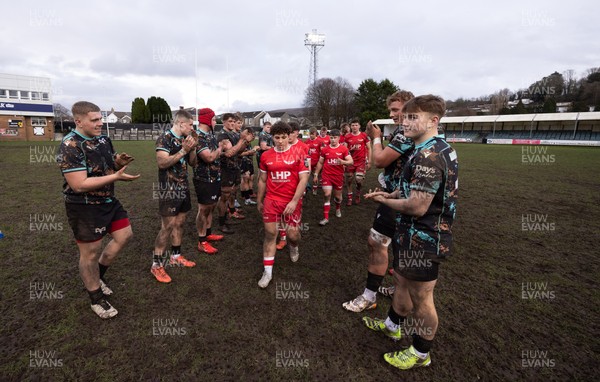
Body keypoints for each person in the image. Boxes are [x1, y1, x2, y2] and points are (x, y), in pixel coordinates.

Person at [362, 95, 458, 371]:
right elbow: (413, 190)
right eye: (405, 116)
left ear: (433, 121)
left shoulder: (429, 154)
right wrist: (390, 192)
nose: (405, 122)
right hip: (411, 233)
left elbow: (417, 205)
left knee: (422, 298)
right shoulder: (428, 147)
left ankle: (420, 352)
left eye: (413, 117)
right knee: (402, 281)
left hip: (424, 237)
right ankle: (393, 325)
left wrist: (384, 201)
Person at [57, 101, 140, 318]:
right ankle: (95, 298)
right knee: (90, 253)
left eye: (100, 118)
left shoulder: (103, 138)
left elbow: (108, 163)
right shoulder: (70, 145)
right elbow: (79, 184)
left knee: (124, 236)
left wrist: (116, 161)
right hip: (83, 207)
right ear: (78, 121)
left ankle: (99, 277)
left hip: (108, 200)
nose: (100, 123)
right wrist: (115, 176)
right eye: (94, 120)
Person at [342, 90, 415, 313]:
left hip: (398, 199)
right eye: (390, 110)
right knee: (401, 246)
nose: (392, 114)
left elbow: (380, 161)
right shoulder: (413, 132)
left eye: (396, 109)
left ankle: (369, 296)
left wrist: (375, 137)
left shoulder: (406, 132)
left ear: (410, 108)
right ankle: (399, 288)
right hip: (403, 197)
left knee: (377, 243)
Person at [256, 121, 309, 288]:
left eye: (284, 137)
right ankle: (267, 272)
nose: (280, 141)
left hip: (291, 200)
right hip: (272, 200)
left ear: (290, 137)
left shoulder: (298, 153)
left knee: (293, 235)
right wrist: (259, 199)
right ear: (272, 137)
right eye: (276, 137)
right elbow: (263, 180)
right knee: (271, 234)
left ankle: (294, 246)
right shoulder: (266, 156)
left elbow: (303, 179)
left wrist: (294, 201)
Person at [150, 110, 198, 283]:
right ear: (181, 124)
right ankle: (156, 265)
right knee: (168, 226)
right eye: (191, 125)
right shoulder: (165, 138)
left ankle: (176, 255)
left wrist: (192, 149)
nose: (193, 128)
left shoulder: (186, 140)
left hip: (183, 187)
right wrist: (183, 150)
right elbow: (162, 163)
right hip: (169, 189)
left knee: (180, 223)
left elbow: (192, 163)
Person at [193, 108, 226, 255]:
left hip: (215, 177)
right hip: (204, 179)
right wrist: (220, 148)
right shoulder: (199, 137)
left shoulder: (210, 135)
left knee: (212, 206)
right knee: (204, 209)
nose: (215, 122)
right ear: (207, 120)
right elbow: (209, 157)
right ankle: (202, 241)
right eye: (213, 119)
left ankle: (208, 233)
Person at [216, 113, 253, 233]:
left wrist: (246, 142)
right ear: (224, 122)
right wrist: (242, 140)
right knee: (224, 196)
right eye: (230, 121)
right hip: (226, 169)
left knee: (232, 193)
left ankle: (230, 213)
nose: (232, 123)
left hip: (235, 167)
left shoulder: (234, 134)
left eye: (234, 121)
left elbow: (239, 151)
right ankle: (222, 222)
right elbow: (230, 152)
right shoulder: (223, 135)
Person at [276, 121, 310, 250]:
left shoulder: (303, 147)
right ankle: (283, 238)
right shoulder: (279, 147)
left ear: (296, 133)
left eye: (290, 133)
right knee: (280, 215)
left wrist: (304, 185)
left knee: (292, 220)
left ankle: (293, 242)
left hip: (296, 187)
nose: (288, 136)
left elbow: (307, 167)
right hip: (280, 187)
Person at [312, 129, 353, 226]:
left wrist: (343, 162)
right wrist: (316, 174)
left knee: (338, 197)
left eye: (335, 138)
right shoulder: (325, 149)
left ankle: (338, 208)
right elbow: (320, 162)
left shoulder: (343, 149)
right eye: (331, 138)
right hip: (327, 176)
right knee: (327, 194)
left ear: (339, 138)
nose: (333, 140)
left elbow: (351, 162)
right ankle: (326, 218)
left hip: (338, 177)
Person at [344, 119, 372, 206]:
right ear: (350, 126)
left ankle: (358, 194)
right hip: (351, 162)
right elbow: (344, 150)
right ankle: (349, 198)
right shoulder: (347, 137)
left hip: (361, 161)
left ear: (359, 126)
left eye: (356, 125)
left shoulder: (364, 135)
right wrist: (345, 161)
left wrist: (369, 161)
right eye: (353, 125)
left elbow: (369, 148)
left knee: (359, 180)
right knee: (349, 180)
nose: (354, 127)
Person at [304, 127, 321, 195]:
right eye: (310, 134)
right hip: (308, 162)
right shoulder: (306, 142)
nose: (311, 135)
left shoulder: (319, 142)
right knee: (305, 176)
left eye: (312, 134)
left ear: (316, 133)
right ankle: (304, 189)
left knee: (315, 176)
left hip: (316, 162)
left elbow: (322, 152)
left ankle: (315, 189)